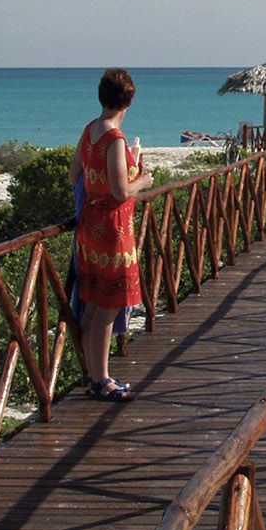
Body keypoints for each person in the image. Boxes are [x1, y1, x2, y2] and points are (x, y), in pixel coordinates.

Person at [70, 68, 152, 402]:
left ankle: (93, 375)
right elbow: (120, 191)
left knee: (92, 303)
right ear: (129, 101)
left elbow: (75, 173)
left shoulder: (90, 130)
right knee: (107, 308)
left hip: (90, 227)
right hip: (113, 230)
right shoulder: (114, 139)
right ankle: (102, 379)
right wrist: (142, 180)